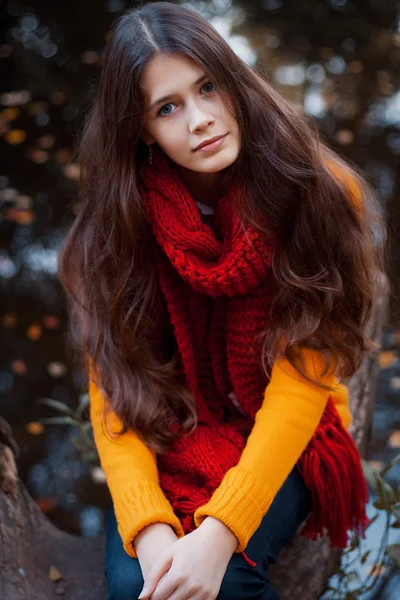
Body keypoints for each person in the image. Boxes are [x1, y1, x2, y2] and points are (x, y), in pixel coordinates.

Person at [58, 2, 387, 599]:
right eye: (168, 107)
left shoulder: (315, 194)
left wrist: (221, 531)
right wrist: (150, 526)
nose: (201, 120)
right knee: (141, 580)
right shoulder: (118, 224)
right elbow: (115, 383)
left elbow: (301, 383)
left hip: (287, 425)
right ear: (140, 130)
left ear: (233, 79)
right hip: (175, 422)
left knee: (226, 579)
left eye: (208, 87)